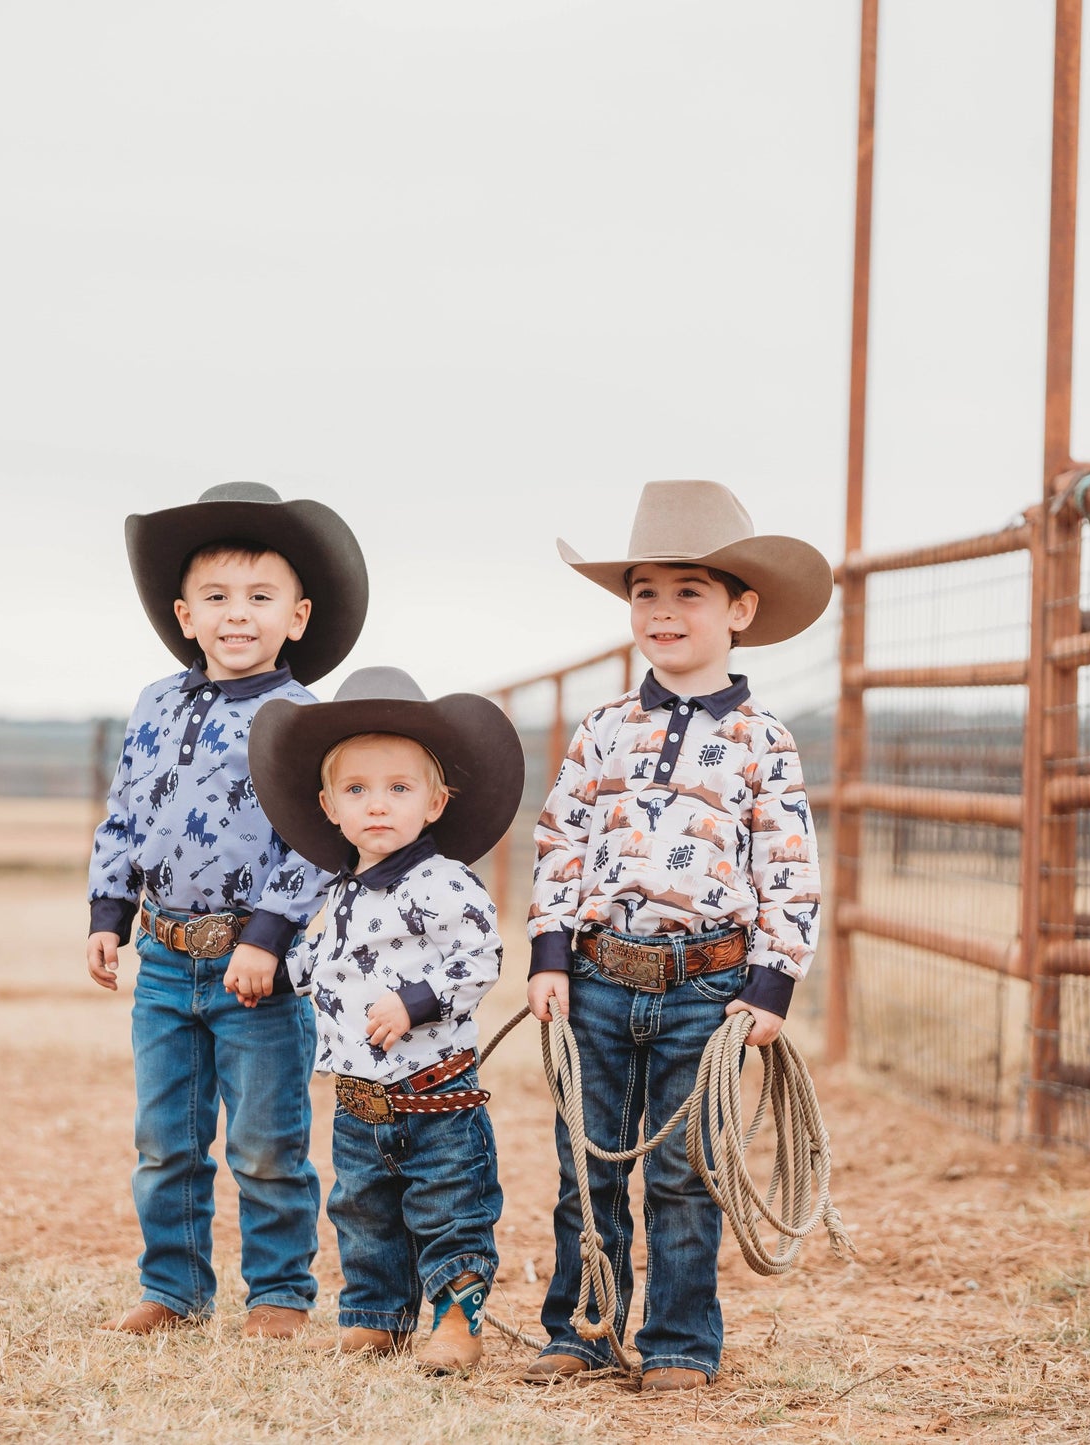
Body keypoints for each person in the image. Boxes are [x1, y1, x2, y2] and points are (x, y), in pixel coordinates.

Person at [519, 479, 833, 1391]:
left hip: (706, 985)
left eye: (687, 591)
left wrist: (769, 982)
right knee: (585, 1164)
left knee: (686, 1172)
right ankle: (582, 1325)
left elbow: (788, 865)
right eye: (644, 592)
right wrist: (549, 952)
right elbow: (559, 842)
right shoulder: (603, 729)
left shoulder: (762, 739)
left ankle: (680, 1341)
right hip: (599, 974)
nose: (661, 611)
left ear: (739, 608)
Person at [85, 481, 368, 1340]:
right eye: (215, 597)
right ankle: (172, 1288)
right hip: (166, 959)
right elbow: (125, 811)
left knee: (264, 1140)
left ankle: (279, 1292)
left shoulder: (302, 721)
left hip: (259, 969)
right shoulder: (153, 704)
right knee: (165, 1137)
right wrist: (107, 911)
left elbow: (314, 842)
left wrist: (268, 938)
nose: (235, 615)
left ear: (298, 615)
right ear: (183, 613)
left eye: (259, 598)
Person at [245, 666, 525, 1374]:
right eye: (358, 790)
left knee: (448, 1207)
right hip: (358, 1098)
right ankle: (375, 1316)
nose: (378, 806)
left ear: (434, 803)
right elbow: (321, 964)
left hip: (434, 1091)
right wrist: (271, 972)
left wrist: (414, 1003)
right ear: (328, 805)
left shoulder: (443, 881)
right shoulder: (340, 891)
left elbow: (478, 957)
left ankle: (456, 1321)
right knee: (363, 1209)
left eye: (399, 789)